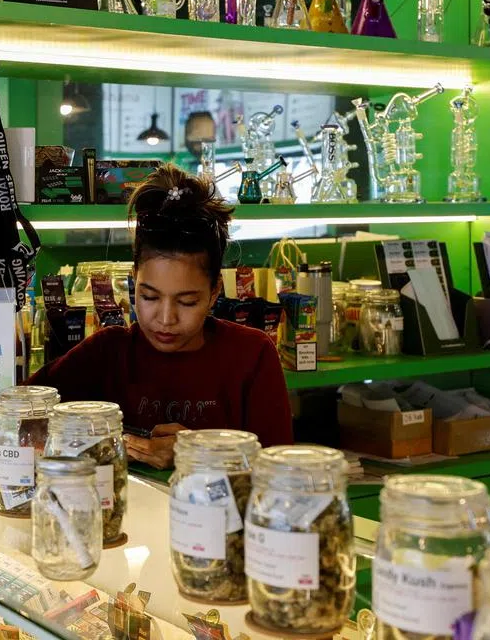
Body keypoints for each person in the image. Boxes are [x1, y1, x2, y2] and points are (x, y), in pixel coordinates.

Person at [28, 164, 293, 468]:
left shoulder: (252, 355)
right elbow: (20, 414)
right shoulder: (106, 353)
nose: (166, 318)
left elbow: (280, 472)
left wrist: (199, 454)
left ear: (215, 291)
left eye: (187, 302)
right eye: (150, 297)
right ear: (133, 279)